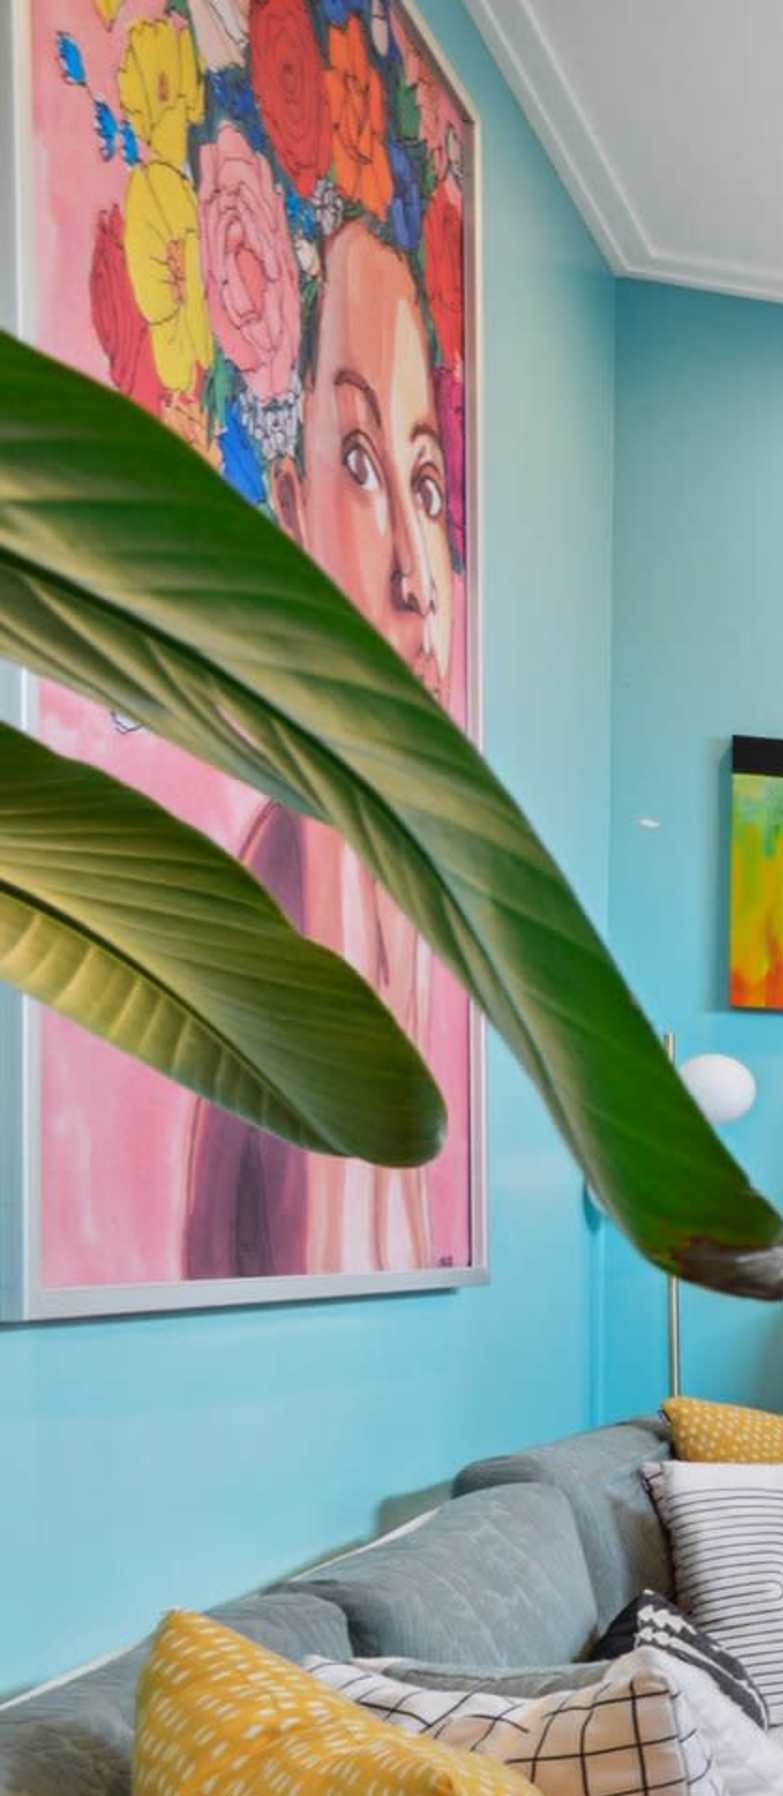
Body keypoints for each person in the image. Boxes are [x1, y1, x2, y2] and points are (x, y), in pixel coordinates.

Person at [184, 222, 460, 1279]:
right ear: (291, 512)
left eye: (426, 488)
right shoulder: (303, 884)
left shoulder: (411, 889)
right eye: (358, 463)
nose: (415, 576)